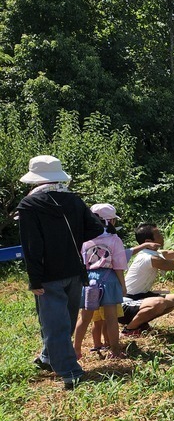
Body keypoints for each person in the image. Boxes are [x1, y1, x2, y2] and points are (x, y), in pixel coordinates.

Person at [16, 155, 104, 390]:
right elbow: (96, 227)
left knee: (55, 324)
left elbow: (32, 246)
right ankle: (48, 357)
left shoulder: (30, 205)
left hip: (49, 274)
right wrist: (71, 239)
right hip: (74, 270)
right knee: (64, 320)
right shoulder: (73, 200)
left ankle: (70, 372)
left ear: (35, 178)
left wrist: (35, 279)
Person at [73, 204, 128, 360]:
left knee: (85, 317)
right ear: (111, 221)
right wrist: (123, 286)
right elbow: (119, 266)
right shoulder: (114, 239)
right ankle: (115, 351)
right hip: (109, 279)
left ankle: (76, 350)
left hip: (89, 280)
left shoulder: (84, 238)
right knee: (111, 318)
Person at [120, 223, 174, 335]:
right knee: (159, 303)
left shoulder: (153, 253)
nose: (162, 236)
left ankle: (141, 323)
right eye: (159, 234)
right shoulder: (149, 257)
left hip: (140, 297)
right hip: (125, 303)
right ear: (148, 241)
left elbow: (173, 253)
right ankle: (130, 329)